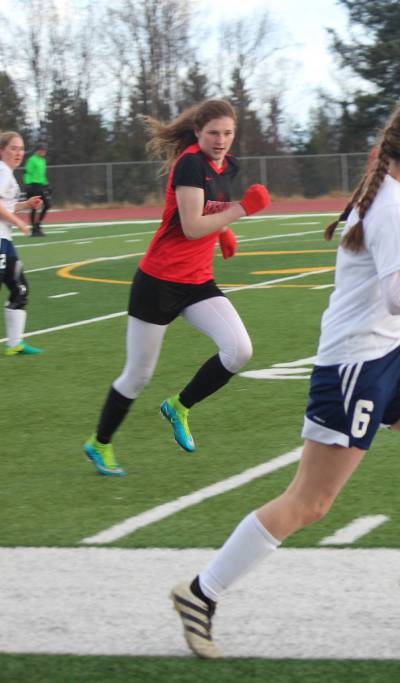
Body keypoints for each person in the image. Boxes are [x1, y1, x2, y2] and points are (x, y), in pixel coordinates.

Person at [169, 98, 400, 659]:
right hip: (355, 369)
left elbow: (393, 285)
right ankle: (200, 592)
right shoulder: (393, 205)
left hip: (386, 359)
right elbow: (397, 291)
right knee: (309, 503)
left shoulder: (396, 195)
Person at [82, 99, 271, 477]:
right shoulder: (189, 163)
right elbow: (190, 226)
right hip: (158, 282)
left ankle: (179, 406)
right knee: (138, 375)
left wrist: (225, 230)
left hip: (197, 280)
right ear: (198, 132)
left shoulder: (226, 165)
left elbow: (209, 209)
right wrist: (242, 211)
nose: (221, 140)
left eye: (228, 133)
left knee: (239, 350)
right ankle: (100, 443)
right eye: (214, 133)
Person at [0, 132, 45, 356]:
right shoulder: (1, 171)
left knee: (19, 287)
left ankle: (14, 343)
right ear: (1, 150)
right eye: (13, 148)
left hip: (5, 242)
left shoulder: (7, 174)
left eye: (21, 149)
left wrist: (25, 204)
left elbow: (5, 207)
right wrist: (19, 222)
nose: (18, 153)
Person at [23, 143, 50, 236]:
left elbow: (42, 175)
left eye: (44, 150)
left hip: (40, 186)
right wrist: (27, 184)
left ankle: (37, 225)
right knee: (34, 207)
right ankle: (34, 230)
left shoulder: (43, 161)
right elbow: (27, 173)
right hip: (32, 185)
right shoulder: (32, 160)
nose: (43, 152)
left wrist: (47, 185)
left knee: (47, 205)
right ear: (37, 150)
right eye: (42, 150)